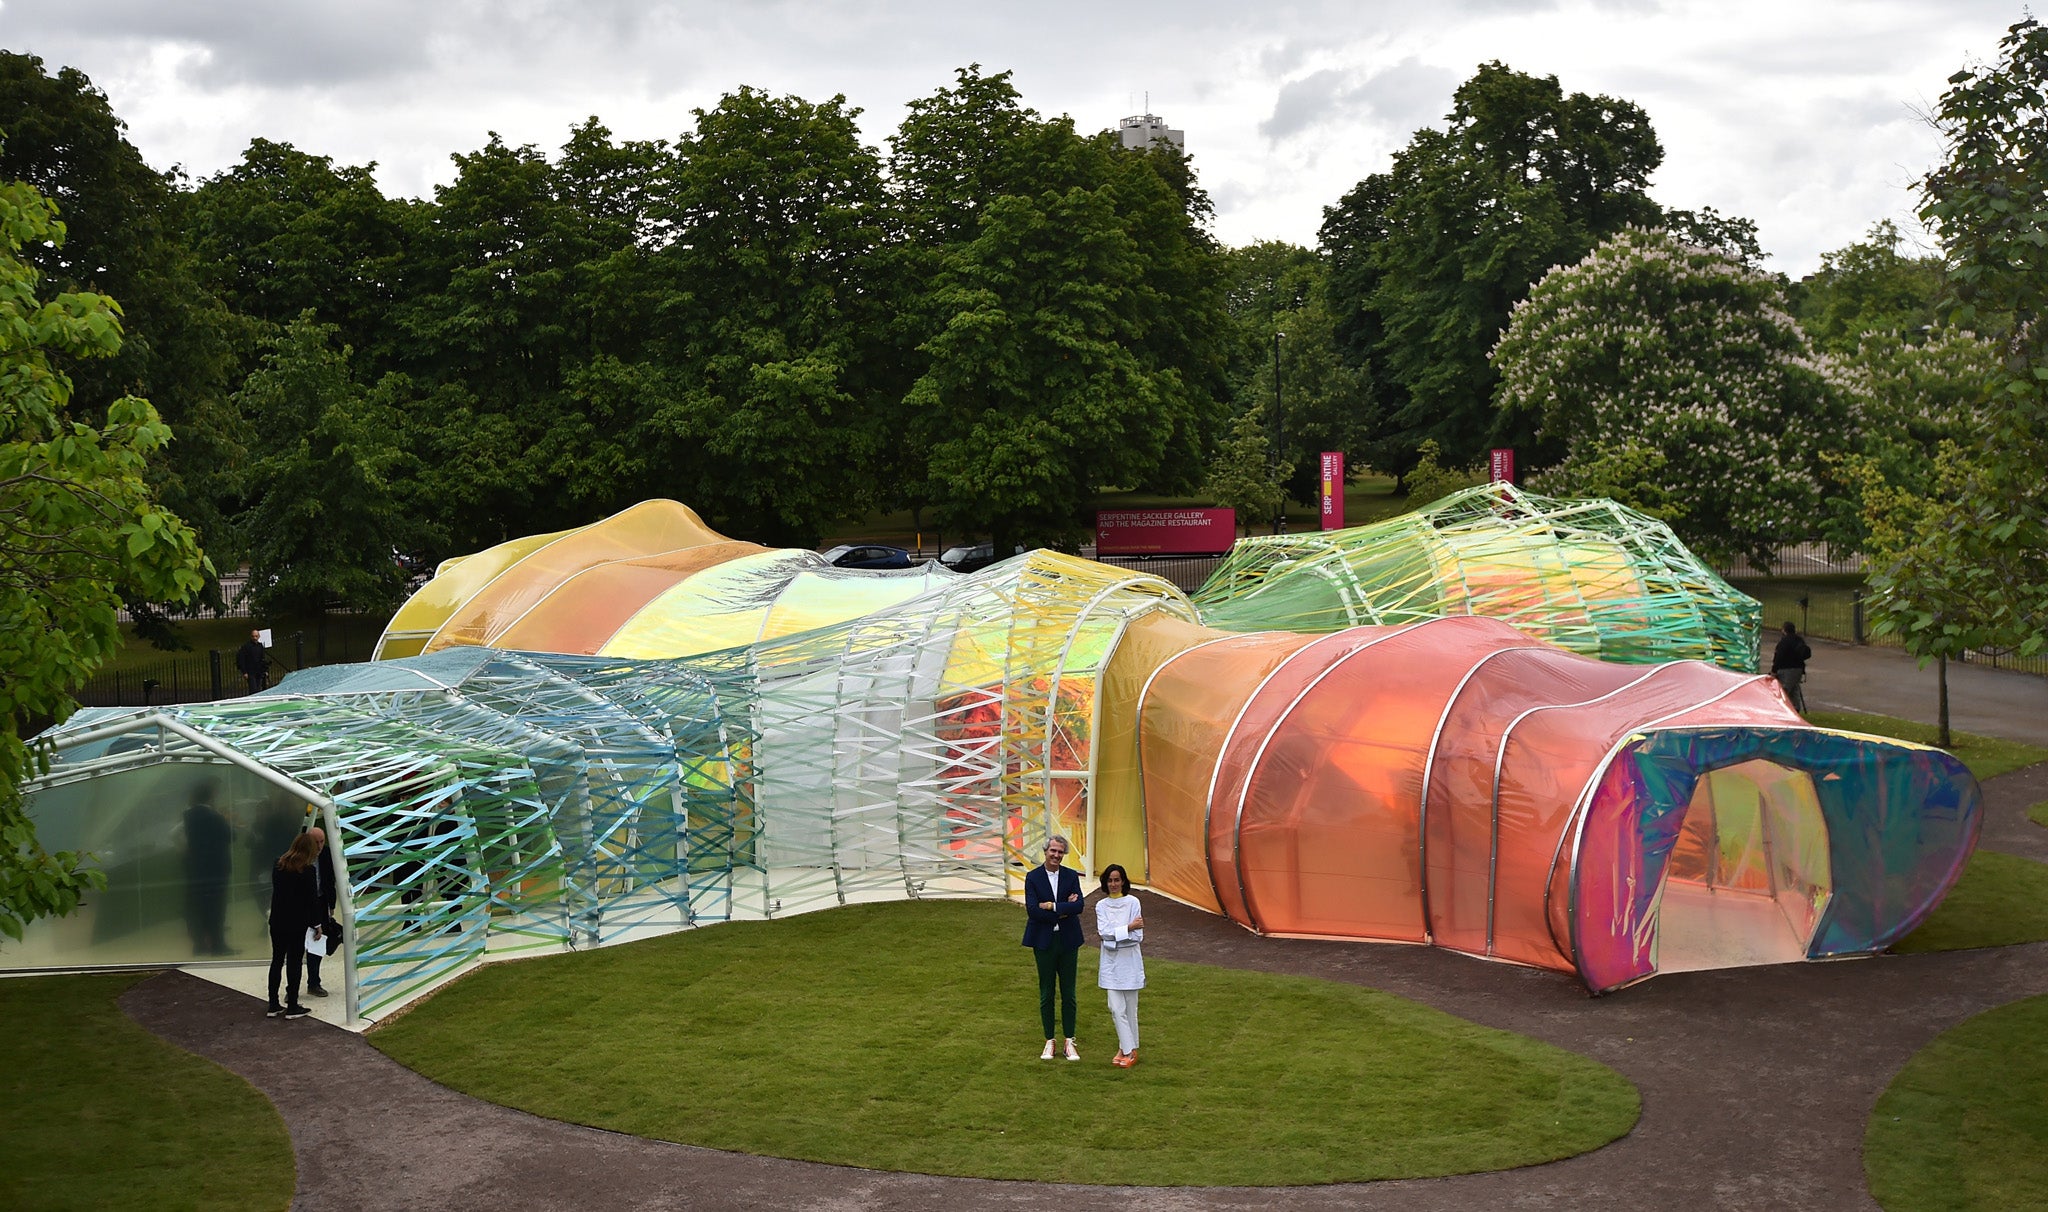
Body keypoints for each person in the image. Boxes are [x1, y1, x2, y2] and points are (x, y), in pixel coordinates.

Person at [1021, 834, 1085, 1060]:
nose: (1056, 855)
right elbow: (1032, 910)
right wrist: (1062, 912)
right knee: (1047, 992)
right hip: (1044, 942)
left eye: (1060, 852)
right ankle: (1050, 1040)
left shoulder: (1070, 875)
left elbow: (1079, 905)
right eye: (1053, 851)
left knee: (1069, 992)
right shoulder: (1033, 877)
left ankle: (1069, 1040)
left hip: (1068, 941)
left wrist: (1051, 906)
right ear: (1045, 851)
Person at [267, 831, 323, 1019]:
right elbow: (312, 900)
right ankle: (292, 1004)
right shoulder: (307, 871)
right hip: (296, 923)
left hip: (277, 921)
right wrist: (317, 923)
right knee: (294, 962)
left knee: (277, 960)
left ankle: (273, 1003)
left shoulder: (278, 865)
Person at [1094, 864, 1145, 1068]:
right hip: (1110, 965)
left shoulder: (1133, 902)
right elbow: (1103, 933)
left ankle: (1128, 1050)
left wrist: (1116, 936)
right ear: (1105, 883)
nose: (1114, 884)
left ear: (1123, 881)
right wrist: (1128, 928)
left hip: (1130, 963)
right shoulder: (1101, 906)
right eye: (1110, 880)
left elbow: (1137, 937)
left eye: (1117, 880)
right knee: (1115, 1008)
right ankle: (1127, 1049)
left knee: (1130, 1009)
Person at [302, 825, 340, 998]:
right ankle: (292, 988)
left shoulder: (326, 854)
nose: (318, 846)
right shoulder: (300, 856)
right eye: (315, 842)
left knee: (318, 944)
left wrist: (331, 904)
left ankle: (314, 982)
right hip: (302, 906)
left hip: (320, 901)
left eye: (321, 842)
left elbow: (330, 879)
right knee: (297, 946)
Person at [1770, 620, 1811, 713]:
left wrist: (1774, 670)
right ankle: (1795, 708)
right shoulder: (1799, 640)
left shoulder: (1784, 642)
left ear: (1784, 630)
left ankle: (1782, 709)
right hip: (1798, 669)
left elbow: (1778, 657)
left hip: (1786, 669)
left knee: (1784, 690)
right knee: (1794, 689)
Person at [236, 629, 270, 695]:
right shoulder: (246, 647)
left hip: (259, 671)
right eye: (253, 636)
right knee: (253, 690)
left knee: (258, 689)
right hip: (250, 671)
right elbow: (241, 659)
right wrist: (244, 672)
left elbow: (262, 659)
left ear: (259, 636)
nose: (255, 638)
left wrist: (265, 670)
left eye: (256, 636)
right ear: (251, 637)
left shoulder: (260, 646)